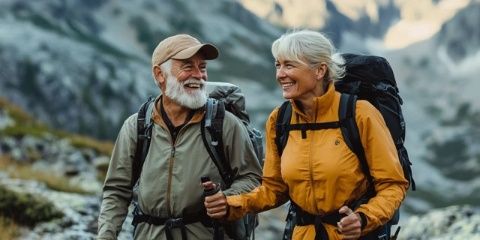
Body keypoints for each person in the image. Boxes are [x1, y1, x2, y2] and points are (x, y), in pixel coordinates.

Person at [203, 30, 409, 239]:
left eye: (289, 65)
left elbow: (393, 185)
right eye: (278, 65)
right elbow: (274, 189)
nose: (280, 74)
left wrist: (363, 218)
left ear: (320, 70)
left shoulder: (359, 114)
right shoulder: (280, 119)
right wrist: (230, 204)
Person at [97, 34, 262, 240]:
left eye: (202, 67)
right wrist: (106, 236)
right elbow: (116, 190)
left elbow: (253, 178)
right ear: (159, 74)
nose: (199, 75)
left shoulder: (224, 124)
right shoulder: (137, 126)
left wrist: (226, 199)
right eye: (187, 67)